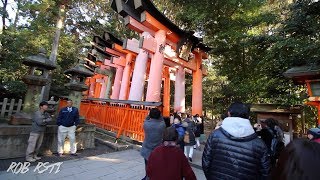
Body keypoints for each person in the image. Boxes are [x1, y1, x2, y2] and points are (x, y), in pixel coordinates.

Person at [202, 102, 270, 180]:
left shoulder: (215, 135)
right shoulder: (259, 144)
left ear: (229, 113)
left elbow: (206, 162)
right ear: (248, 116)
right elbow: (265, 173)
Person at [140, 108, 166, 180]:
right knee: (157, 166)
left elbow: (147, 118)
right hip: (158, 150)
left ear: (150, 115)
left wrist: (149, 115)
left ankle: (148, 177)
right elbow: (162, 119)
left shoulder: (146, 124)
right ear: (159, 115)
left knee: (147, 165)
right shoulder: (162, 125)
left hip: (147, 149)